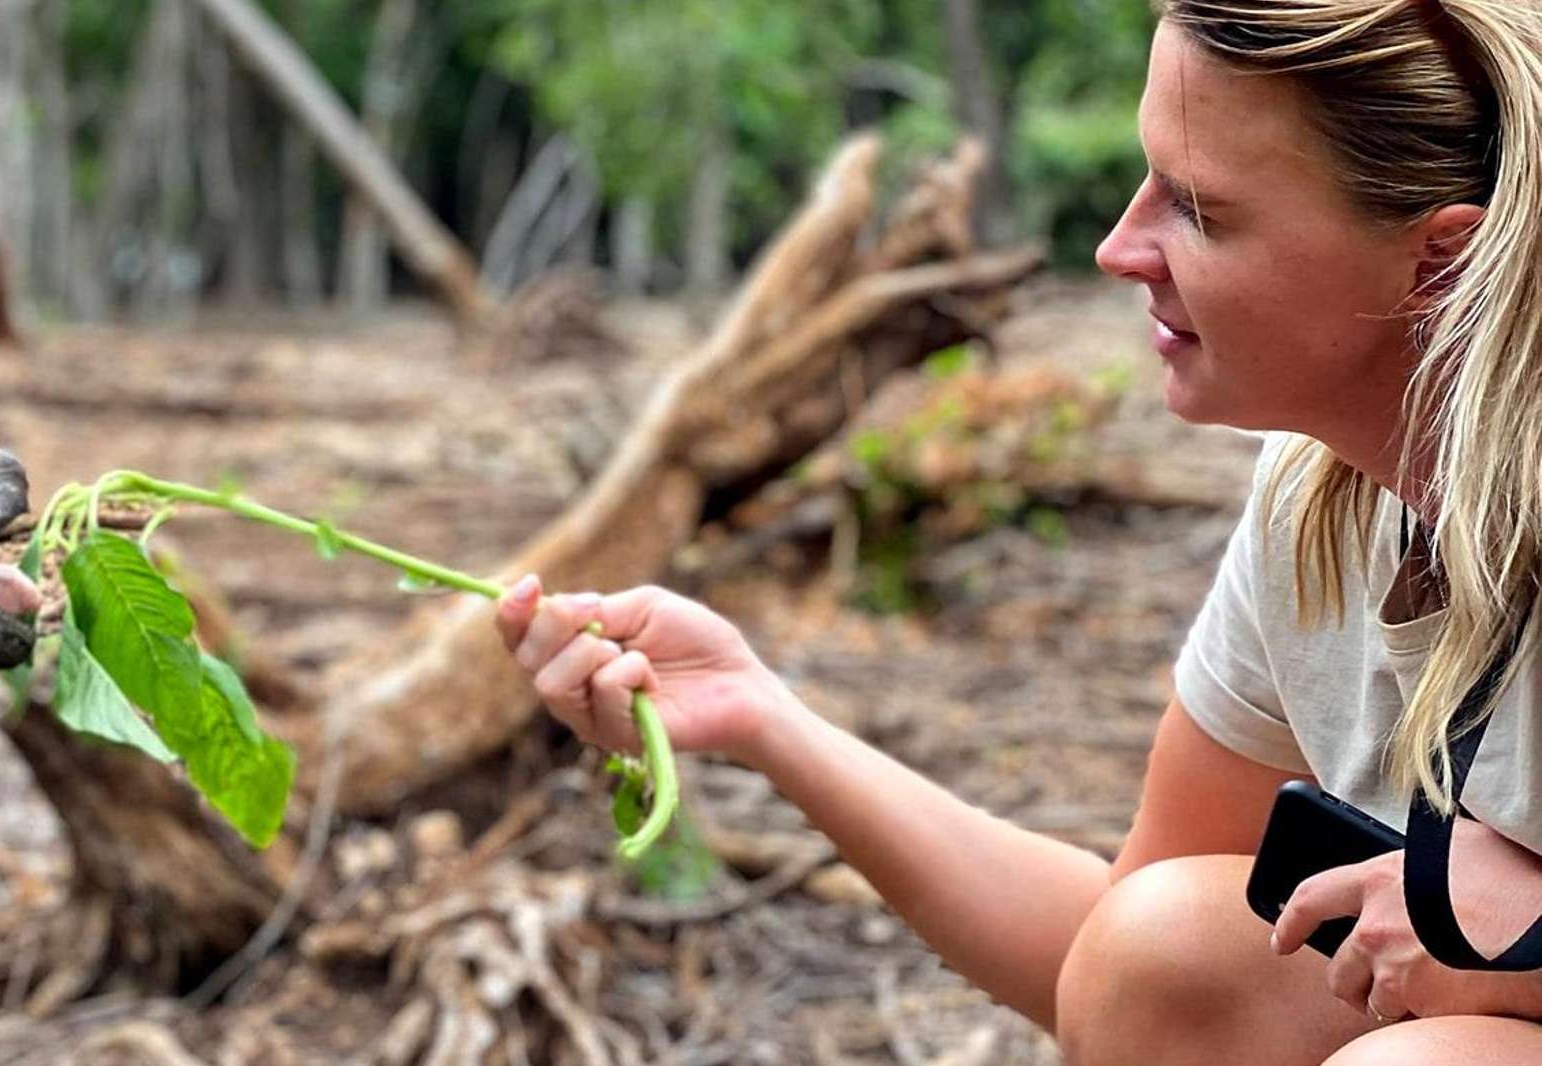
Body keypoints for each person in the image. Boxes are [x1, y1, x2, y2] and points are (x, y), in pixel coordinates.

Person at [493, 2, 1542, 1062]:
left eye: (1199, 211)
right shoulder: (1317, 498)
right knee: (1159, 957)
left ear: (1436, 264)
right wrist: (762, 718)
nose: (1119, 247)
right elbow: (1104, 971)